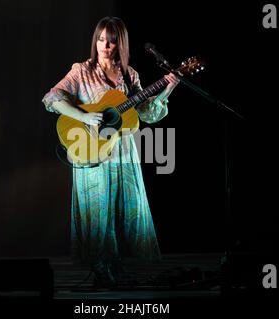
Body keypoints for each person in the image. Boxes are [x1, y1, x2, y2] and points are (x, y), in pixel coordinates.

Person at [42, 16, 180, 288]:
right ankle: (101, 269)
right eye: (101, 39)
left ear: (120, 43)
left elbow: (146, 113)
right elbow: (52, 98)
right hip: (92, 147)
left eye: (112, 40)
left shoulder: (130, 75)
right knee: (98, 209)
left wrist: (167, 90)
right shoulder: (81, 71)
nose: (106, 45)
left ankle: (117, 269)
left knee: (122, 209)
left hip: (123, 150)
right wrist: (83, 118)